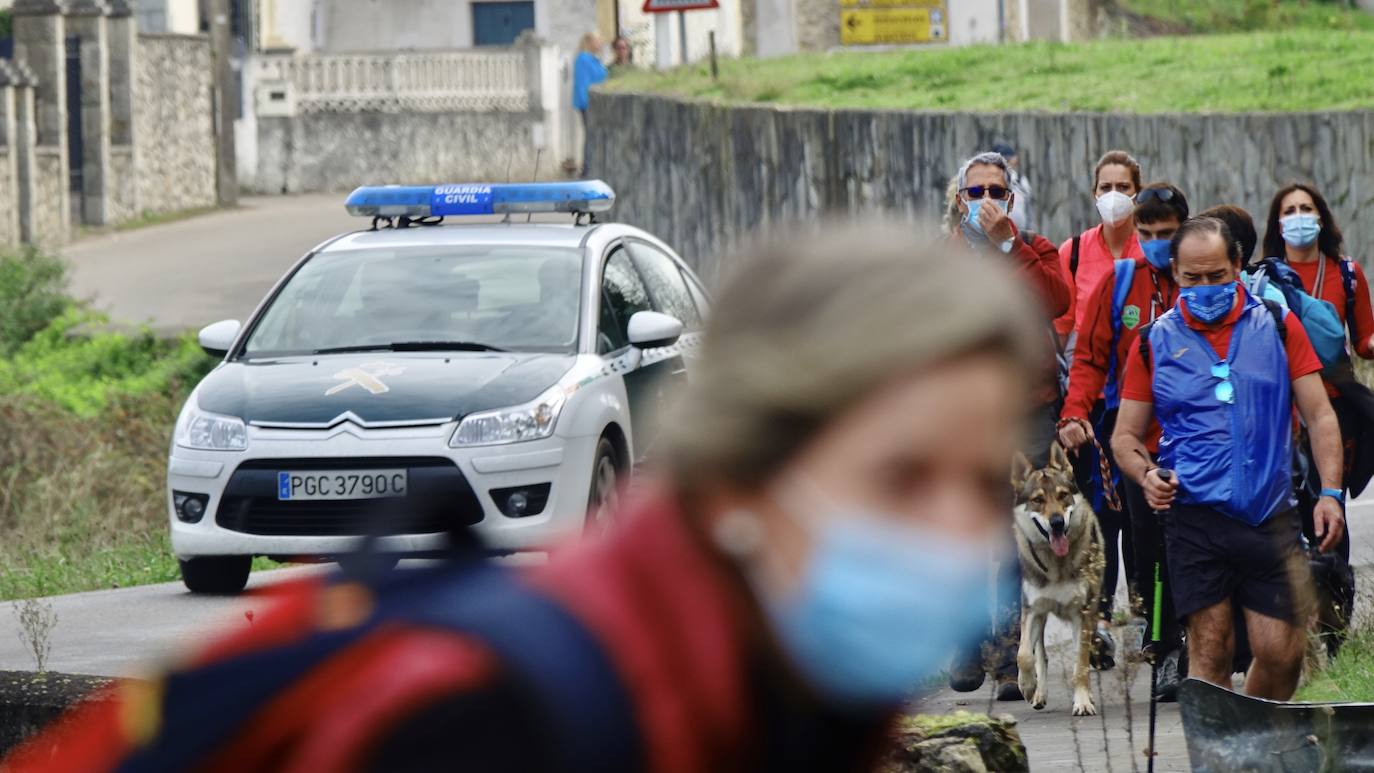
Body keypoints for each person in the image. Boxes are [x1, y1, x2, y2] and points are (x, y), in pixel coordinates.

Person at [5, 222, 1048, 772]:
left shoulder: (794, 690)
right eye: (902, 476)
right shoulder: (506, 714)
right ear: (740, 474)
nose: (960, 530)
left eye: (977, 476)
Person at [1113, 216, 1344, 701]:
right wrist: (1147, 474)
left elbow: (1320, 415)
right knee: (1213, 650)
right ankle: (1222, 756)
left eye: (1217, 275)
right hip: (1194, 518)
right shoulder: (1152, 342)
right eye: (1192, 278)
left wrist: (1329, 493)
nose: (1205, 287)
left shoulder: (1279, 325)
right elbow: (1126, 438)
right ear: (1174, 273)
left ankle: (1248, 742)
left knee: (1281, 653)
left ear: (1237, 265)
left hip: (1269, 514)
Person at [947, 150, 1070, 700]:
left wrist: (1008, 247)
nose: (988, 202)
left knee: (1020, 532)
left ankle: (1008, 662)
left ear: (1011, 200)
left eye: (998, 192)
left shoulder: (1033, 249)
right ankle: (969, 640)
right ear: (959, 200)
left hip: (1030, 411)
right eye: (977, 193)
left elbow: (1055, 299)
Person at [1058, 182, 1189, 681]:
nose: (1158, 241)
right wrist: (1075, 414)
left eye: (1168, 232)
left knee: (1200, 541)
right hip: (1134, 439)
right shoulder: (1119, 283)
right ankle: (1164, 646)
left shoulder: (1205, 279)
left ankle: (1212, 639)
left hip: (1199, 436)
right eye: (1148, 231)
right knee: (1147, 542)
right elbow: (1088, 358)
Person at [1263, 183, 1374, 652]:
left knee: (1333, 516)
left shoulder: (1347, 275)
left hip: (1335, 416)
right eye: (1290, 210)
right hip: (1285, 417)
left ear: (1322, 218)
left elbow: (1365, 338)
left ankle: (1335, 632)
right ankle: (1295, 629)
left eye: (1307, 209)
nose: (1299, 216)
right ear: (1277, 224)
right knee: (1292, 520)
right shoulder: (1264, 279)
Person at [1055, 150, 1145, 351]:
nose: (1114, 195)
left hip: (1141, 360)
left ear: (1137, 192)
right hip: (1086, 361)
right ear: (1095, 193)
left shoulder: (1149, 249)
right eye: (1106, 187)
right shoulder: (1073, 252)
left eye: (1123, 187)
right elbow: (1062, 326)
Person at [570, 31, 608, 176]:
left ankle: (591, 166)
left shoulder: (593, 59)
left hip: (593, 105)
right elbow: (582, 84)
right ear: (589, 42)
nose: (600, 44)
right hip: (588, 105)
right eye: (598, 41)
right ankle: (587, 168)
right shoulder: (583, 59)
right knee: (590, 135)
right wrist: (587, 106)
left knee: (592, 135)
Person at [991, 141, 1033, 233]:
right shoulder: (989, 183)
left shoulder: (1021, 181)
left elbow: (1028, 211)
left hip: (1021, 235)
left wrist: (1030, 234)